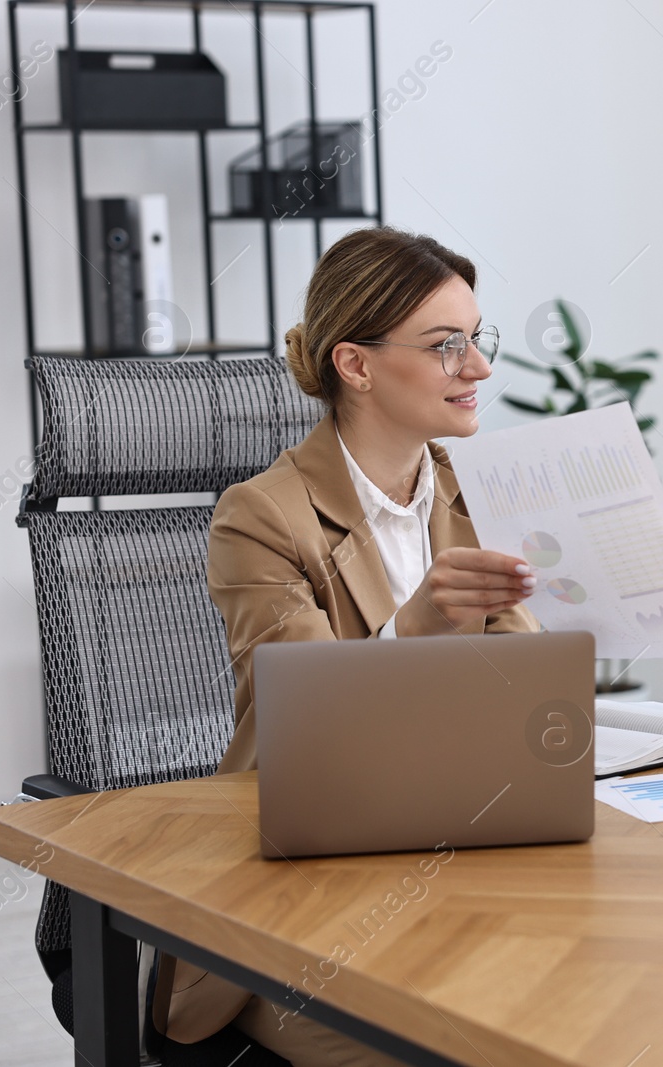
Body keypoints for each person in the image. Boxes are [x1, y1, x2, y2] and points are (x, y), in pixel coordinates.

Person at [159, 226, 540, 1066]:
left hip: (472, 864)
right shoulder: (261, 516)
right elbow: (309, 730)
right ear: (355, 364)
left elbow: (538, 699)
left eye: (480, 341)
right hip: (303, 902)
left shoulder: (483, 494)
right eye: (447, 347)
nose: (478, 369)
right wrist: (416, 628)